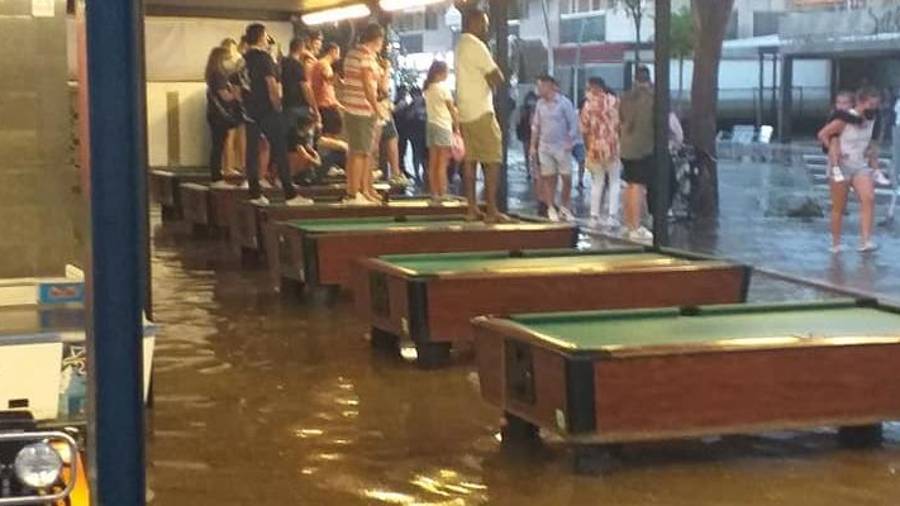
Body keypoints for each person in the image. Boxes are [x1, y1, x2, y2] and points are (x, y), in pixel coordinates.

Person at [242, 23, 312, 206]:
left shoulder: (243, 60)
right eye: (265, 36)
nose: (267, 40)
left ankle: (254, 193)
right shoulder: (264, 58)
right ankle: (289, 194)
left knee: (251, 152)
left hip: (250, 111)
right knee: (280, 149)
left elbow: (238, 86)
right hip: (267, 110)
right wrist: (277, 105)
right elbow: (271, 84)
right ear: (260, 37)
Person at [455, 7, 508, 222]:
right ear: (474, 23)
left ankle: (471, 208)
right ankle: (492, 210)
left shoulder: (460, 45)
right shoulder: (477, 46)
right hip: (481, 110)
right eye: (484, 24)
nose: (486, 28)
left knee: (471, 159)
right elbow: (497, 78)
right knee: (493, 157)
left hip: (465, 111)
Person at [818, 86, 882, 253]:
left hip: (859, 164)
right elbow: (823, 134)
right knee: (839, 206)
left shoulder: (871, 119)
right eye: (871, 104)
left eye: (876, 105)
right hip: (840, 166)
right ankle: (836, 243)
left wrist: (871, 152)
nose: (874, 108)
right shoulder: (844, 119)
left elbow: (870, 141)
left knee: (868, 198)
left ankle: (865, 240)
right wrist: (833, 150)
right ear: (861, 103)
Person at [342, 23, 386, 205]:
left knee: (358, 151)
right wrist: (377, 108)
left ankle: (362, 190)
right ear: (377, 40)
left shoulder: (352, 54)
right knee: (361, 152)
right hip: (362, 109)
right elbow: (369, 86)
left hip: (351, 108)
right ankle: (355, 193)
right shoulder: (366, 57)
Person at [530, 75, 578, 222]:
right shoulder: (539, 104)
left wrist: (570, 140)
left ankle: (564, 207)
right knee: (549, 178)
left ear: (549, 86)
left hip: (562, 147)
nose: (538, 89)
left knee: (566, 178)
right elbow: (536, 126)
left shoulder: (564, 103)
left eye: (540, 86)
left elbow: (574, 124)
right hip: (545, 147)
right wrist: (533, 145)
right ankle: (550, 207)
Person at [619, 65, 655, 242]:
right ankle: (636, 226)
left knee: (630, 185)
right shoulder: (651, 98)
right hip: (642, 148)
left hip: (626, 147)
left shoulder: (626, 97)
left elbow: (621, 118)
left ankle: (629, 224)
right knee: (638, 187)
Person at [580, 77, 621, 229]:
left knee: (597, 182)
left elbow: (584, 129)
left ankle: (594, 215)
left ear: (593, 87)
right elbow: (620, 124)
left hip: (594, 147)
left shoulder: (587, 105)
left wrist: (587, 145)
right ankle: (612, 216)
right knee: (614, 182)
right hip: (612, 146)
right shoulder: (614, 102)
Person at [205, 47, 242, 189]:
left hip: (215, 114)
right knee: (218, 146)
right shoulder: (218, 74)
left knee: (217, 145)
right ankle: (216, 178)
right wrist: (237, 95)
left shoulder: (213, 73)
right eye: (227, 58)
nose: (230, 61)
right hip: (219, 115)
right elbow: (225, 96)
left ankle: (217, 175)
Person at [423, 60, 459, 204]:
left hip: (431, 125)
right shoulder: (443, 89)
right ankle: (443, 192)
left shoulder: (428, 88)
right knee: (443, 163)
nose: (447, 74)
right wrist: (457, 127)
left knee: (433, 162)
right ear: (439, 73)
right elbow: (452, 110)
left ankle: (434, 193)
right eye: (446, 71)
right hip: (443, 126)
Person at [220, 38, 245, 178]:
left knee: (230, 137)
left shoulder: (218, 64)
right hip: (233, 103)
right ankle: (232, 166)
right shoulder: (231, 63)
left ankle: (229, 166)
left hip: (227, 104)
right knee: (233, 136)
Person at [311, 42, 343, 136]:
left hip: (325, 103)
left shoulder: (321, 64)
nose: (339, 56)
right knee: (331, 132)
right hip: (325, 105)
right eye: (338, 53)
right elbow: (328, 78)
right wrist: (336, 78)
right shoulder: (323, 64)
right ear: (332, 51)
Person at [408, 87, 428, 182]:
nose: (415, 98)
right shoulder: (411, 105)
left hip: (425, 133)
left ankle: (425, 172)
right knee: (416, 154)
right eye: (413, 96)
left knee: (425, 155)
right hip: (415, 134)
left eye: (416, 95)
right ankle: (417, 174)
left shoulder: (426, 103)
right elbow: (408, 117)